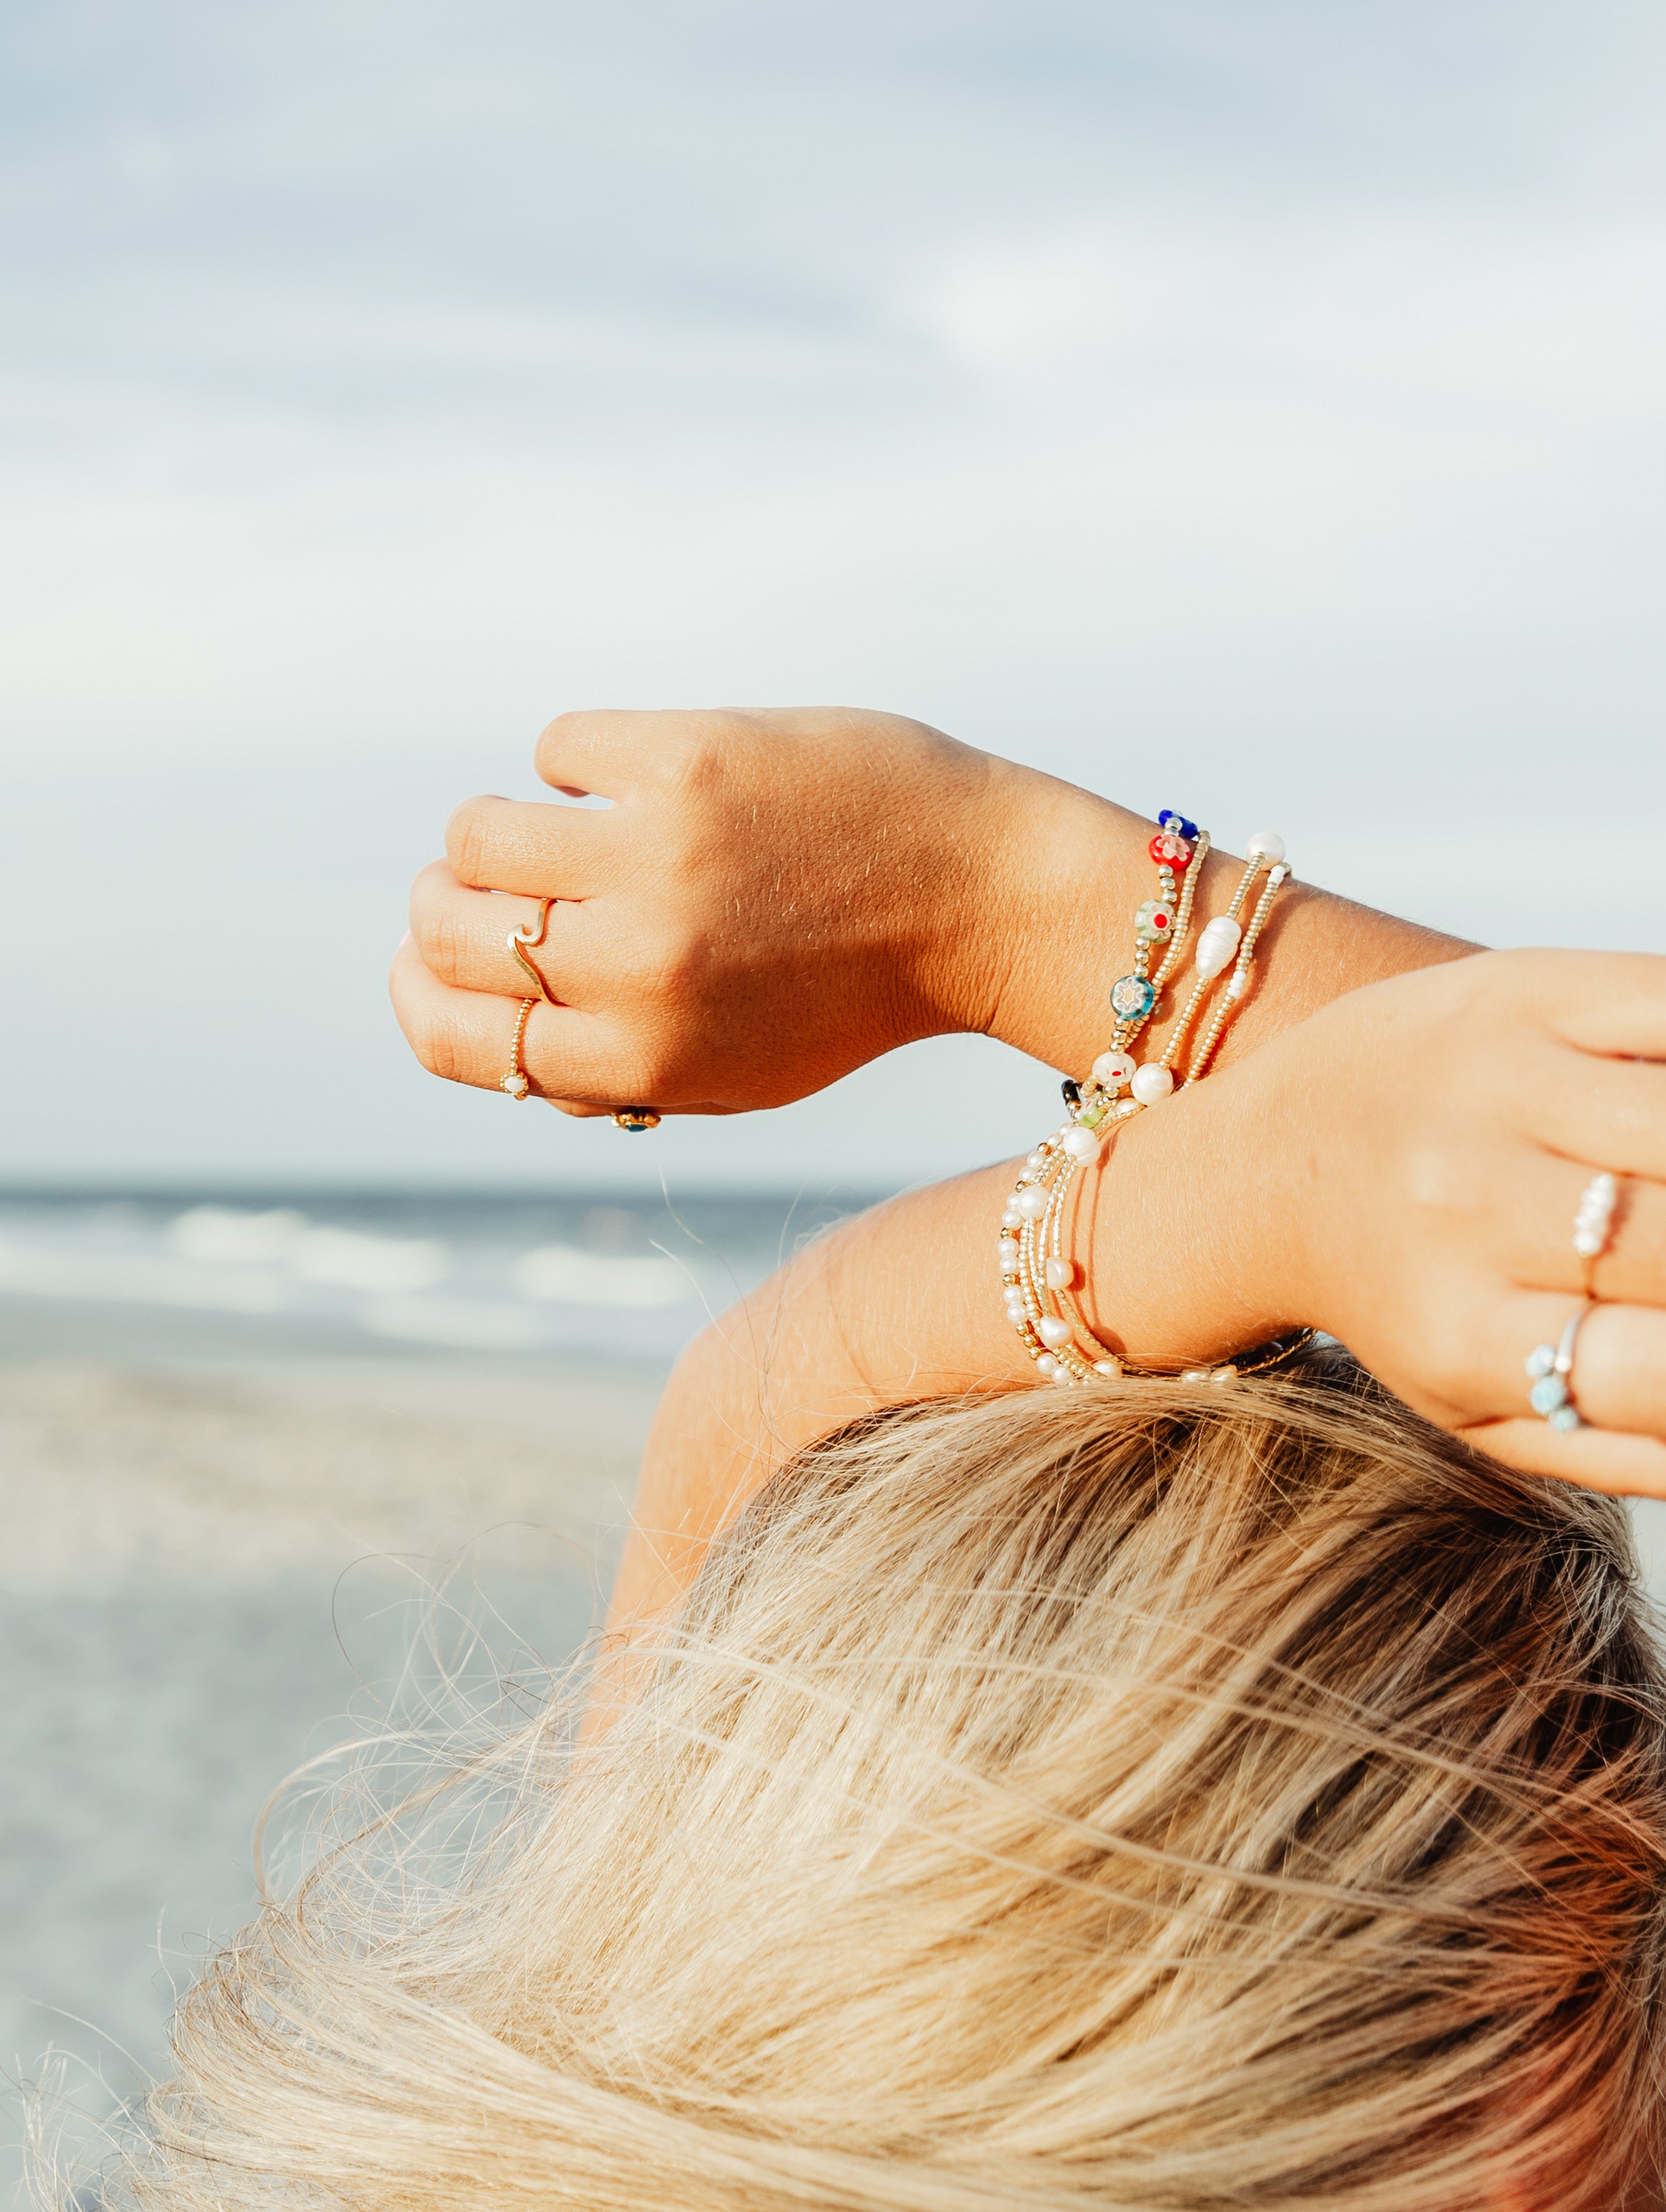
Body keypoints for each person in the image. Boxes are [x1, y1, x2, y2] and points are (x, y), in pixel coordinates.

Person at [79, 711, 1666, 2208]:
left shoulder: (676, 2121)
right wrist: (1019, 909)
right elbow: (755, 1420)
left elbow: (751, 1431)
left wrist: (1015, 937)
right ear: (1512, 2162)